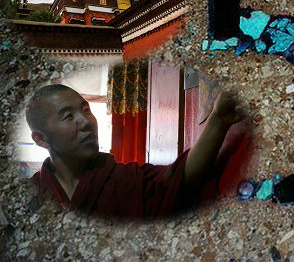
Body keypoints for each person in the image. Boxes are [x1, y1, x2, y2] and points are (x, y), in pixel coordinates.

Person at [25, 84, 244, 219]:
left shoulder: (128, 178)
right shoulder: (28, 198)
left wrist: (218, 120)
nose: (86, 122)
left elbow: (180, 178)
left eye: (86, 110)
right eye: (68, 116)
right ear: (41, 139)